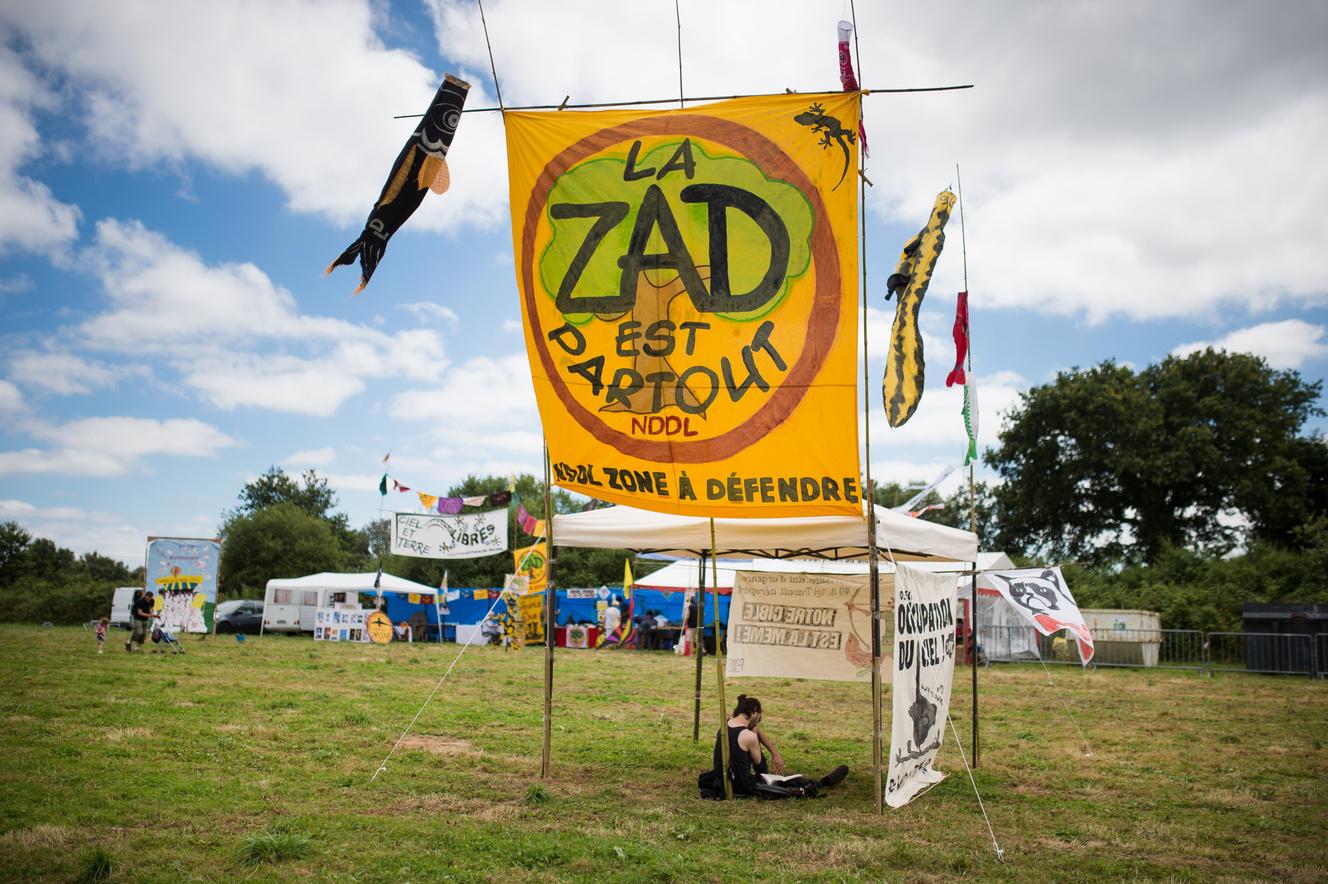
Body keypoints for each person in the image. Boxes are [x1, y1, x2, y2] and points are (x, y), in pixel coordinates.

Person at [711, 695, 848, 797]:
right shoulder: (749, 735)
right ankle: (823, 783)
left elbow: (757, 732)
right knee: (795, 782)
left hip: (722, 781)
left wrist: (775, 753)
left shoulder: (726, 724)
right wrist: (754, 732)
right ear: (755, 713)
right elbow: (761, 769)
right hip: (742, 786)